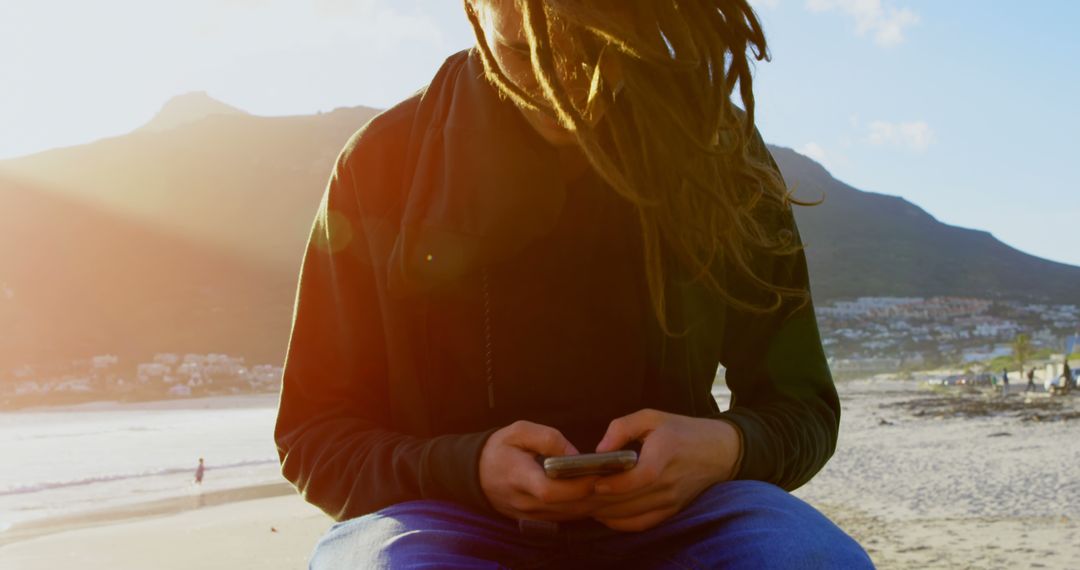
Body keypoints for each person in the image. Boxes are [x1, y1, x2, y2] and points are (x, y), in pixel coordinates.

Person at [274, 0, 873, 567]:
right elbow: (313, 435)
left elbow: (804, 406)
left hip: (691, 517)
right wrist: (464, 468)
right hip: (443, 521)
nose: (564, 91)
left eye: (593, 52)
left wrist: (726, 448)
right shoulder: (379, 164)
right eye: (521, 52)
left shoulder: (717, 152)